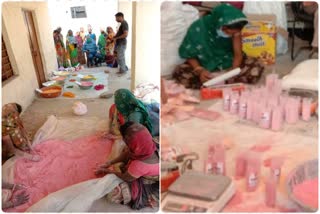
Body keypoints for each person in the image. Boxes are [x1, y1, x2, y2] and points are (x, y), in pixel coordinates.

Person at [175, 4, 264, 89]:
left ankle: (214, 83)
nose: (230, 36)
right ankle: (218, 82)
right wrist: (200, 70)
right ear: (219, 25)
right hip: (204, 63)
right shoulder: (198, 28)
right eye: (228, 33)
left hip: (227, 61)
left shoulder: (235, 31)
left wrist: (232, 71)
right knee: (180, 71)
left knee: (256, 65)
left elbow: (238, 54)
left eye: (234, 34)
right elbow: (189, 54)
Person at [95, 122, 159, 209]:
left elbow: (126, 177)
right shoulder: (148, 143)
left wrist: (108, 171)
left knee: (113, 195)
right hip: (152, 166)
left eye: (125, 139)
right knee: (125, 150)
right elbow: (127, 153)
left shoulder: (139, 165)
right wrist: (109, 163)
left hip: (153, 178)